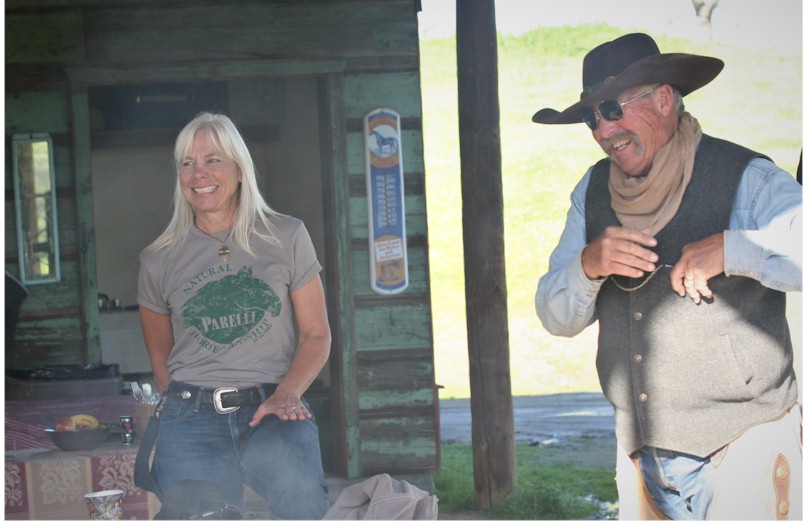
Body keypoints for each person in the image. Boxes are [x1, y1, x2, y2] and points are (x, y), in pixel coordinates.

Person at [533, 33, 802, 520]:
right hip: (642, 456)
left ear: (662, 99)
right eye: (591, 117)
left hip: (744, 442)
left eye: (611, 108)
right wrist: (588, 266)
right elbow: (554, 316)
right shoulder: (592, 191)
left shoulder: (748, 177)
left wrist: (732, 248)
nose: (602, 129)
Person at [137, 112, 332, 519]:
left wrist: (288, 392)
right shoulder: (158, 259)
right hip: (191, 415)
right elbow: (162, 363)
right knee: (203, 515)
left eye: (213, 160)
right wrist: (189, 407)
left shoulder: (287, 235)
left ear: (240, 169)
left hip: (275, 406)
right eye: (187, 163)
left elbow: (316, 333)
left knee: (304, 505)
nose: (198, 174)